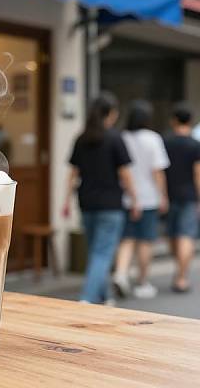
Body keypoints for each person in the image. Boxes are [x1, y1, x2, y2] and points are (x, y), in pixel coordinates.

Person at [63, 92, 140, 304]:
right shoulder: (115, 138)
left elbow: (73, 173)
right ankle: (87, 298)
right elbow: (125, 174)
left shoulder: (81, 138)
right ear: (111, 114)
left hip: (86, 202)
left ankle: (104, 297)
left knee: (96, 251)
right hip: (111, 204)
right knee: (103, 253)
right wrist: (135, 200)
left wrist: (66, 202)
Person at [112, 100, 169, 299]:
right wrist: (163, 196)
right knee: (146, 240)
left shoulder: (121, 137)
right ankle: (143, 282)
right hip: (149, 197)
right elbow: (158, 172)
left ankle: (121, 273)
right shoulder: (153, 139)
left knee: (126, 239)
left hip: (124, 196)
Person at [163, 102, 200, 293]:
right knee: (186, 235)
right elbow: (198, 174)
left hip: (169, 195)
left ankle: (179, 271)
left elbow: (160, 171)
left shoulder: (165, 142)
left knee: (173, 235)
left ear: (174, 120)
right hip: (189, 195)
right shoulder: (195, 144)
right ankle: (181, 277)